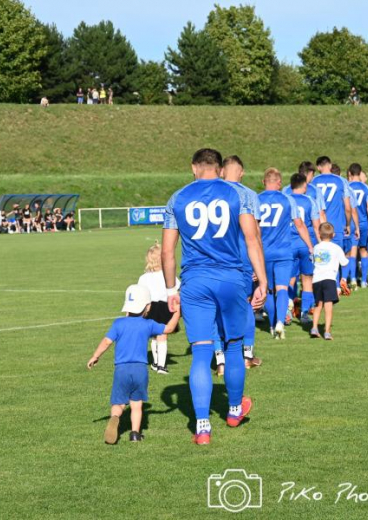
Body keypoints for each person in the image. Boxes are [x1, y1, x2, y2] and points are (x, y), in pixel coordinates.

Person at [161, 148, 267, 446]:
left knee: (201, 351)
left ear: (194, 167)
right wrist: (263, 280)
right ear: (220, 169)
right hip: (233, 278)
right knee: (234, 345)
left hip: (195, 281)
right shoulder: (238, 194)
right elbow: (251, 238)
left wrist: (171, 290)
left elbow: (168, 251)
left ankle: (203, 427)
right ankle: (234, 411)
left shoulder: (177, 198)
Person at [86, 284, 181, 444]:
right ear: (147, 307)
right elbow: (170, 328)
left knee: (118, 403)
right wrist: (177, 310)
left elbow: (107, 341)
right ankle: (135, 434)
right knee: (136, 405)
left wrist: (95, 356)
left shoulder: (118, 324)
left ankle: (115, 417)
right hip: (140, 369)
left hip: (121, 369)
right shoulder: (148, 324)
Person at [259, 168, 313, 339]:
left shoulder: (256, 199)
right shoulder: (288, 199)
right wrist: (310, 246)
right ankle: (281, 322)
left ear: (264, 182)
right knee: (282, 288)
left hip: (263, 252)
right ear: (280, 183)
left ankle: (273, 324)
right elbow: (299, 224)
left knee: (267, 289)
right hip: (283, 251)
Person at [220, 155, 263, 371]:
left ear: (221, 171)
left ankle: (220, 359)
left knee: (217, 308)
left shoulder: (213, 192)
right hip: (243, 260)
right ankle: (247, 354)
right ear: (242, 172)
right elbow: (255, 234)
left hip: (216, 260)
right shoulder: (250, 195)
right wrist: (259, 267)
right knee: (246, 305)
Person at [311, 156, 356, 293]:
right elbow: (348, 207)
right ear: (330, 166)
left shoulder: (313, 182)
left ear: (318, 167)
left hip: (319, 225)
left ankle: (324, 286)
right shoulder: (341, 181)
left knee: (321, 258)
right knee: (337, 256)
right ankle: (338, 284)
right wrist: (348, 224)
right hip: (336, 225)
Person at [138, 242, 180, 375]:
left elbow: (141, 293)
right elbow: (177, 288)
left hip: (149, 309)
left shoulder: (143, 277)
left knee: (154, 337)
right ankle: (161, 366)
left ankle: (155, 363)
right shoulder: (167, 275)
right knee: (162, 336)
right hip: (163, 308)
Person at [287, 173, 321, 323]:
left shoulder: (285, 199)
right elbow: (316, 224)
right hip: (306, 244)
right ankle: (304, 313)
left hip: (288, 243)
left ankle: (286, 312)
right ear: (304, 186)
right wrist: (319, 244)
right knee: (307, 279)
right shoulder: (310, 201)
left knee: (289, 279)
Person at [310, 223, 349, 340]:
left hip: (316, 279)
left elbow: (312, 260)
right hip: (329, 279)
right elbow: (345, 263)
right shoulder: (336, 248)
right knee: (328, 306)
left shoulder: (316, 247)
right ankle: (327, 331)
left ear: (319, 234)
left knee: (318, 305)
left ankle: (314, 328)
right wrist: (344, 278)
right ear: (333, 235)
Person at [347, 164, 368, 288]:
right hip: (364, 223)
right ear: (360, 173)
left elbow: (347, 207)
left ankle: (352, 279)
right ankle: (364, 281)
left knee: (352, 251)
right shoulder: (367, 188)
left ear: (350, 173)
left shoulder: (346, 187)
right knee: (364, 252)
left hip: (352, 223)